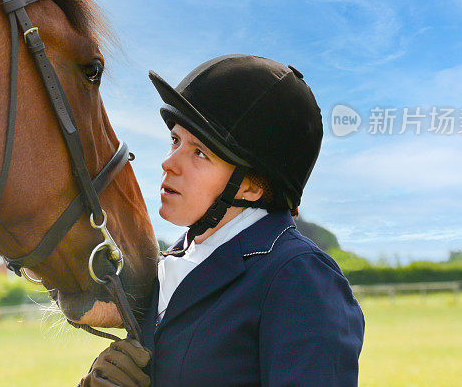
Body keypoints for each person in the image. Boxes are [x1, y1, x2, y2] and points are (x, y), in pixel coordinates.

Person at [80, 54, 365, 386]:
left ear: (252, 185)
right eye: (175, 141)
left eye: (200, 153)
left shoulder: (300, 278)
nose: (169, 163)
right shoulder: (162, 265)